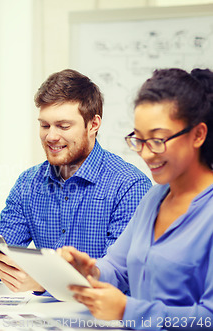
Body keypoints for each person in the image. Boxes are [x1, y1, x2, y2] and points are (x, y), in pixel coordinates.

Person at [59, 68, 213, 330]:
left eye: (157, 139)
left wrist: (128, 310)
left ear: (198, 134)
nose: (146, 153)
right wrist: (89, 271)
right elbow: (118, 268)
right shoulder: (154, 198)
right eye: (138, 139)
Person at [0, 69, 151, 293]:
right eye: (44, 125)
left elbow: (123, 276)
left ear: (93, 125)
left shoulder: (129, 185)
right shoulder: (28, 183)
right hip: (46, 316)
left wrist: (45, 280)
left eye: (63, 126)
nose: (51, 136)